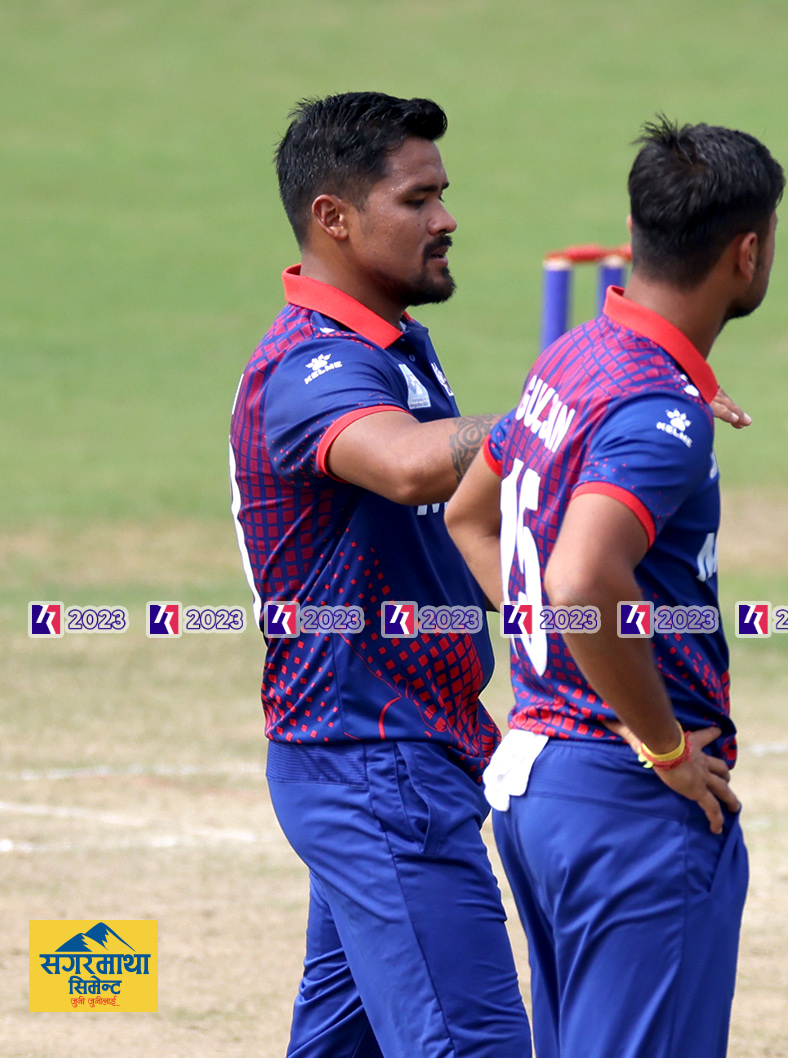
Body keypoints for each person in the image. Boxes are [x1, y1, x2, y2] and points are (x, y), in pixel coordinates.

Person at [444, 117, 781, 1058]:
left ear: (635, 235)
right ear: (748, 253)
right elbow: (582, 577)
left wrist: (559, 657)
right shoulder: (654, 408)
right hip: (628, 805)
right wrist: (663, 744)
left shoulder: (574, 357)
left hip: (542, 784)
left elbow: (468, 516)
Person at [229, 92, 530, 1057]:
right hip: (374, 758)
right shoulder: (310, 366)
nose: (446, 219)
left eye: (443, 194)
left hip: (392, 752)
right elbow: (405, 466)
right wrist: (570, 408)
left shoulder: (389, 347)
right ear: (334, 217)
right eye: (418, 199)